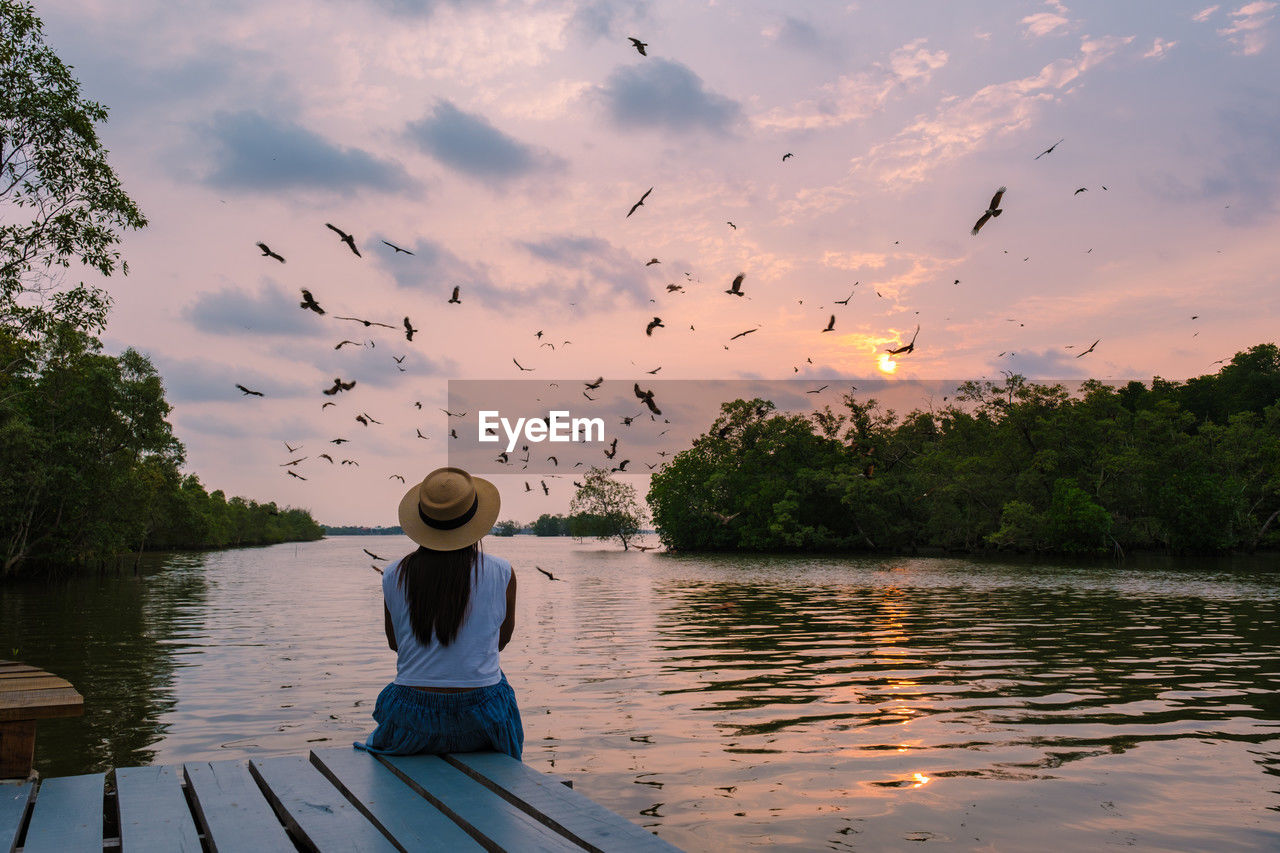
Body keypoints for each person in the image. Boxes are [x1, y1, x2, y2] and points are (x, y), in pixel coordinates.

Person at [354, 467, 523, 760]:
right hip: (482, 719)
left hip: (412, 721)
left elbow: (396, 644)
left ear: (422, 520)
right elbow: (499, 642)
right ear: (475, 521)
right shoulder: (502, 571)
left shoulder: (393, 573)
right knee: (497, 679)